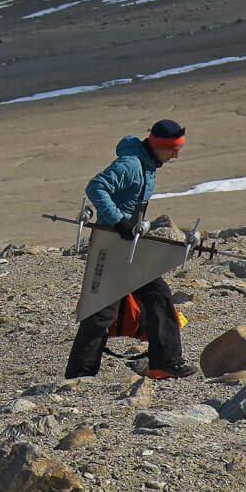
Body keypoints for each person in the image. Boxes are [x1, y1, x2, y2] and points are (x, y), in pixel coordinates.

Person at [64, 119, 198, 380]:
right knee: (104, 310)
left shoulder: (146, 165)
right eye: (173, 148)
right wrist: (118, 221)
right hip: (113, 244)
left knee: (145, 297)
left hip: (124, 243)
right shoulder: (131, 165)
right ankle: (82, 374)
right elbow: (96, 186)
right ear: (158, 145)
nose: (176, 154)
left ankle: (162, 363)